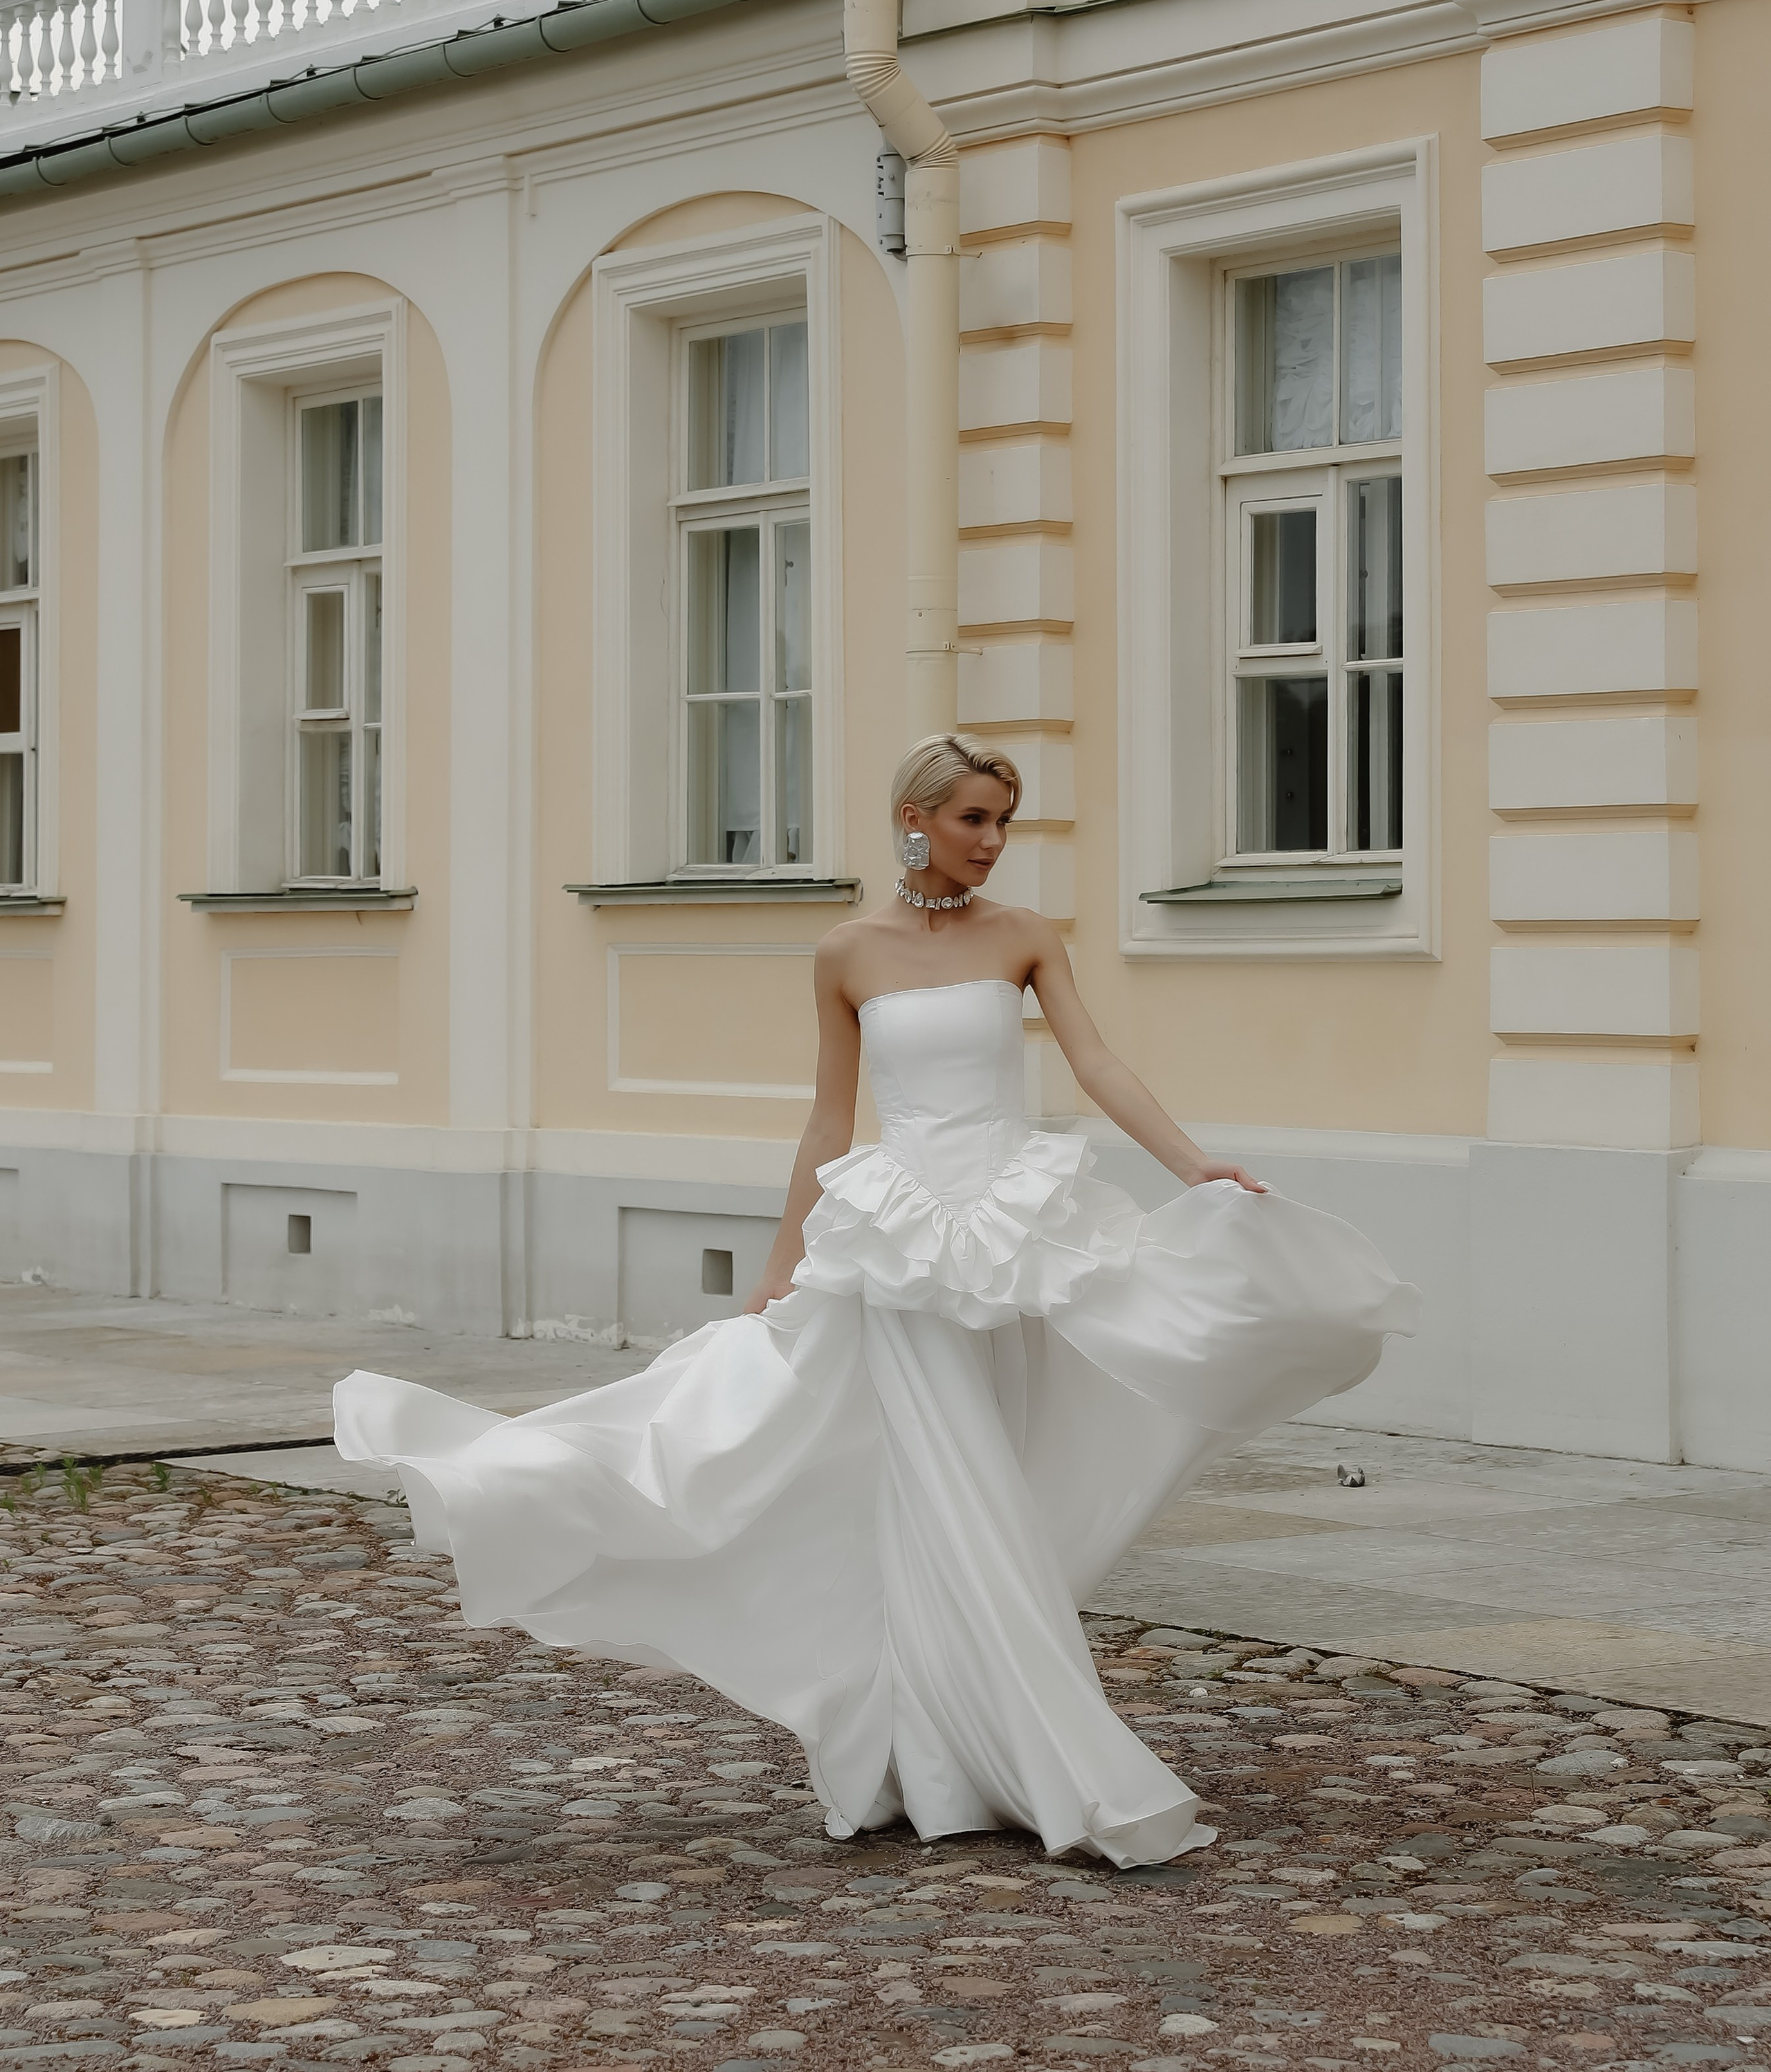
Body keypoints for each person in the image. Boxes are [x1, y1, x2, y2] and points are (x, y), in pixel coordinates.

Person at [335, 733, 1417, 1867]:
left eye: (1003, 821)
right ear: (915, 820)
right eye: (973, 820)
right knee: (938, 1486)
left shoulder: (1025, 937)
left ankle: (954, 1750)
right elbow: (829, 1116)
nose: (993, 842)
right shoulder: (847, 953)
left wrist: (1194, 1167)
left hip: (1010, 1240)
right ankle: (966, 1756)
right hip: (899, 1250)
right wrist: (779, 1266)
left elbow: (1096, 1064)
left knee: (994, 1481)